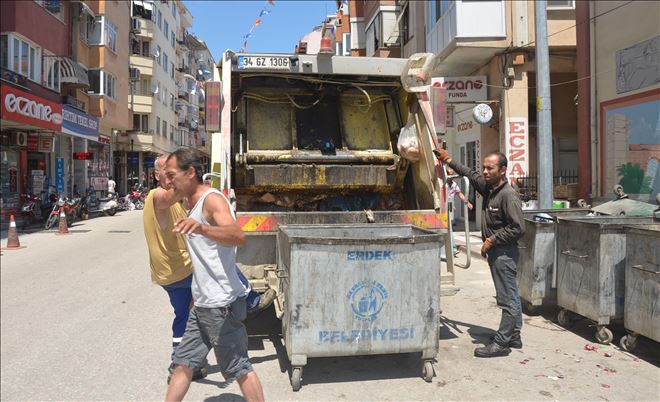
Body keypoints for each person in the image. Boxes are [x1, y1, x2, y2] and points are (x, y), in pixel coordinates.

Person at [164, 148, 265, 402]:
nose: (168, 181)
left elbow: (238, 236)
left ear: (190, 172)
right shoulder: (187, 200)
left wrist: (201, 228)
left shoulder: (211, 201)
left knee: (240, 368)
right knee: (183, 363)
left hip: (221, 305)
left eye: (172, 174)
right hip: (202, 304)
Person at [435, 148, 525, 358]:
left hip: (503, 253)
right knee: (511, 294)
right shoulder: (490, 188)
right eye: (484, 167)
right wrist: (448, 160)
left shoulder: (508, 196)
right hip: (497, 252)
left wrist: (491, 240)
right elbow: (471, 175)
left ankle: (502, 343)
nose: (484, 171)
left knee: (507, 298)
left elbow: (518, 228)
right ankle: (515, 335)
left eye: (490, 168)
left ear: (502, 170)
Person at [142, 155, 207, 381]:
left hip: (177, 269)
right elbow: (171, 195)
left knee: (189, 314)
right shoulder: (157, 196)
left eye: (173, 172)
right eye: (167, 172)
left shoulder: (176, 202)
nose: (171, 177)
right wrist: (189, 179)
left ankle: (188, 362)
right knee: (190, 314)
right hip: (177, 270)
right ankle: (180, 363)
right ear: (156, 175)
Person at [446, 168, 474, 256]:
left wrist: (467, 202)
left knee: (449, 229)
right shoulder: (443, 184)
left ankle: (452, 249)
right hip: (444, 209)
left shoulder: (454, 185)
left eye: (452, 175)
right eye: (450, 175)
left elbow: (459, 194)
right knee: (448, 229)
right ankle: (452, 249)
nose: (452, 177)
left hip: (450, 209)